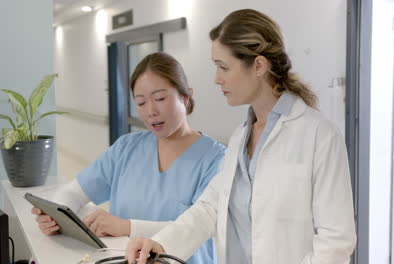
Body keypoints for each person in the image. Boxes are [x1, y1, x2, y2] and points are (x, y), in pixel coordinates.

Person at [125, 9, 356, 264]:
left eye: (223, 67)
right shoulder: (240, 137)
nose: (216, 79)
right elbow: (210, 207)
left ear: (258, 65)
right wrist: (161, 243)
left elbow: (336, 241)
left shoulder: (319, 135)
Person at [31, 52, 225, 264]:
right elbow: (73, 192)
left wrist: (126, 226)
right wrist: (55, 217)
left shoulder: (215, 158)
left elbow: (198, 227)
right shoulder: (126, 148)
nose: (151, 111)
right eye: (141, 103)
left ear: (185, 97)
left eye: (160, 98)